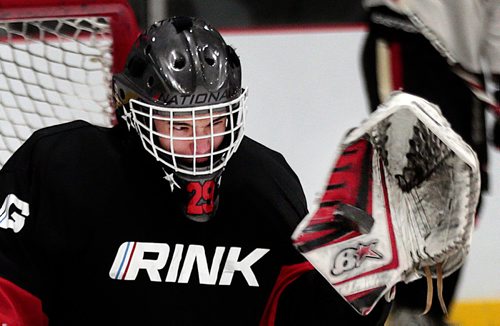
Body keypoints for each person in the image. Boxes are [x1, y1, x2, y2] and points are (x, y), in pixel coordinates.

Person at [0, 16, 391, 325]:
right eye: (180, 126)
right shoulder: (65, 167)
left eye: (214, 121)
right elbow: (9, 291)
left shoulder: (262, 182)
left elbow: (294, 314)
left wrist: (363, 278)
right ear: (134, 115)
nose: (201, 144)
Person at [361, 1, 500, 325]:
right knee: (413, 179)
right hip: (403, 31)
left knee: (467, 186)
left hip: (460, 67)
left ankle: (426, 310)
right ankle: (404, 307)